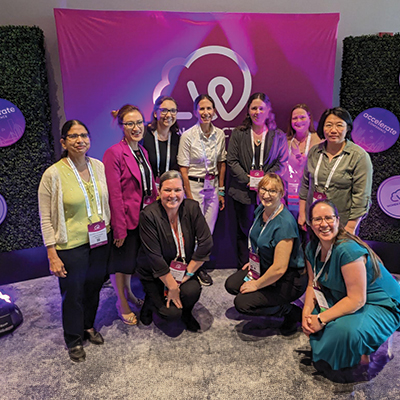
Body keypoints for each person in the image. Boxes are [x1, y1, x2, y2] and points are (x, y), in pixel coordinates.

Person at [38, 120, 111, 362]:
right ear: (63, 142)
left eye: (84, 135)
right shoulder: (53, 174)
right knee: (73, 293)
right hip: (70, 246)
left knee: (93, 287)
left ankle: (88, 326)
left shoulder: (98, 166)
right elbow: (46, 217)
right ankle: (73, 338)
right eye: (73, 136)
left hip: (100, 240)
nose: (80, 140)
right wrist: (51, 252)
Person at [302, 199, 400, 373]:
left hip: (379, 302)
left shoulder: (346, 250)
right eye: (317, 219)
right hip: (345, 294)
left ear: (338, 221)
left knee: (342, 331)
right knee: (315, 322)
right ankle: (354, 345)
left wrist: (320, 319)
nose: (324, 224)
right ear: (310, 223)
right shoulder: (312, 248)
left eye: (329, 218)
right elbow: (312, 284)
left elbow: (357, 299)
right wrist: (306, 314)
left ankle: (363, 350)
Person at [225, 173, 307, 335]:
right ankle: (272, 301)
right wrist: (254, 261)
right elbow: (259, 238)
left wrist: (256, 284)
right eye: (263, 189)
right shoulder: (261, 209)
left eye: (273, 191)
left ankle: (289, 311)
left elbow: (279, 268)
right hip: (265, 265)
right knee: (232, 284)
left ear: (282, 194)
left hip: (288, 279)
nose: (266, 194)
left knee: (242, 303)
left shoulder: (284, 223)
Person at [137, 170, 213, 332]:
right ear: (159, 191)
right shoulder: (148, 215)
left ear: (184, 190)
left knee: (192, 291)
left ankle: (187, 312)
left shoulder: (192, 208)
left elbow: (206, 242)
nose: (173, 195)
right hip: (155, 273)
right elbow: (154, 257)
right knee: (170, 314)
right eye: (168, 190)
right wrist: (172, 286)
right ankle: (150, 302)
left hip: (182, 270)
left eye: (177, 190)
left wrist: (188, 275)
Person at [103, 105, 157, 326]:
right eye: (130, 124)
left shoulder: (142, 151)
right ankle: (122, 303)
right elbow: (114, 195)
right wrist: (119, 227)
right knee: (121, 264)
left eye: (138, 123)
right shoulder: (114, 153)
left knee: (131, 263)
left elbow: (149, 185)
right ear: (122, 126)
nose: (136, 128)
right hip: (126, 220)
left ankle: (130, 296)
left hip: (144, 218)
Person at [227, 92, 288, 270]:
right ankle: (243, 269)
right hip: (242, 193)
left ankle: (266, 270)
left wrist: (265, 184)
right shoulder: (239, 133)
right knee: (244, 232)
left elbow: (282, 163)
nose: (257, 111)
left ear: (268, 111)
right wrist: (247, 179)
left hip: (269, 195)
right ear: (248, 110)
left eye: (261, 108)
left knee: (267, 232)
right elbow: (232, 160)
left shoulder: (278, 136)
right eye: (254, 108)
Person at [298, 107, 373, 234]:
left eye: (339, 125)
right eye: (328, 125)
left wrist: (350, 227)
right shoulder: (314, 152)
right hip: (314, 222)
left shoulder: (358, 156)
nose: (333, 130)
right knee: (313, 253)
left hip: (342, 225)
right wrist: (302, 214)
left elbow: (361, 196)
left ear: (348, 128)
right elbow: (305, 185)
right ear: (323, 128)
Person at [177, 94, 226, 286]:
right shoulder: (188, 136)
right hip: (194, 186)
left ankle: (199, 267)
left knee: (208, 230)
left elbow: (222, 163)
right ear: (195, 111)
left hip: (212, 187)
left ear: (214, 111)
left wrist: (221, 190)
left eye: (209, 109)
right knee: (193, 230)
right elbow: (183, 168)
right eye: (202, 109)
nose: (206, 113)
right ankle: (191, 267)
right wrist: (188, 197)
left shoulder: (220, 134)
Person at [284, 104, 322, 219]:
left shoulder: (319, 140)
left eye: (302, 117)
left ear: (309, 118)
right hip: (289, 195)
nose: (298, 121)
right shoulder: (286, 141)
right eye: (294, 118)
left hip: (310, 193)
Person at [142, 95, 180, 188]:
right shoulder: (144, 135)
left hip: (169, 191)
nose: (169, 115)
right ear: (155, 113)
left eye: (173, 111)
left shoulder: (177, 139)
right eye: (164, 110)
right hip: (147, 190)